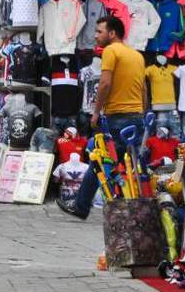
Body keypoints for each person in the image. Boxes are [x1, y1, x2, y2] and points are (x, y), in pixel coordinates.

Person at [62, 16, 147, 220]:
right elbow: (143, 89)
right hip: (136, 117)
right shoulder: (136, 55)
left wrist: (97, 111)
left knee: (100, 159)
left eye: (99, 31)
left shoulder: (110, 51)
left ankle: (83, 206)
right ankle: (135, 206)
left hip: (117, 118)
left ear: (112, 33)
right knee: (132, 164)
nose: (95, 36)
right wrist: (141, 112)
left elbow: (105, 84)